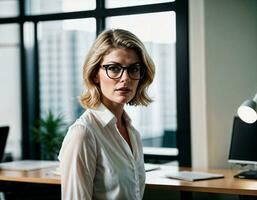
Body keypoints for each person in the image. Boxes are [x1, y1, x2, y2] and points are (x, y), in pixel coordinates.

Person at [58, 28, 155, 200]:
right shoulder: (83, 134)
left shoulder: (133, 133)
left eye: (134, 69)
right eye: (114, 68)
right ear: (95, 74)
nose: (125, 78)